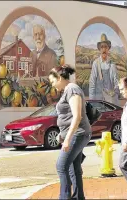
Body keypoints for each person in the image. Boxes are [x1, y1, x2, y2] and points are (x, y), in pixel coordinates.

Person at [49, 65, 92, 200]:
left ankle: (65, 197)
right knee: (74, 169)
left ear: (60, 78)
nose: (52, 85)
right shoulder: (68, 90)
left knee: (61, 166)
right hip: (76, 134)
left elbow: (77, 116)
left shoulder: (72, 89)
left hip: (77, 134)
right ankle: (79, 197)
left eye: (53, 81)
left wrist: (67, 139)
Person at [89, 33, 120, 106]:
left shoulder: (112, 64)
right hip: (98, 100)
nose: (104, 49)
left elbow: (116, 82)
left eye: (105, 47)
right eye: (102, 47)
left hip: (109, 100)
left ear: (108, 49)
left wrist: (115, 93)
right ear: (99, 49)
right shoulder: (96, 63)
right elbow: (92, 83)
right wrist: (91, 102)